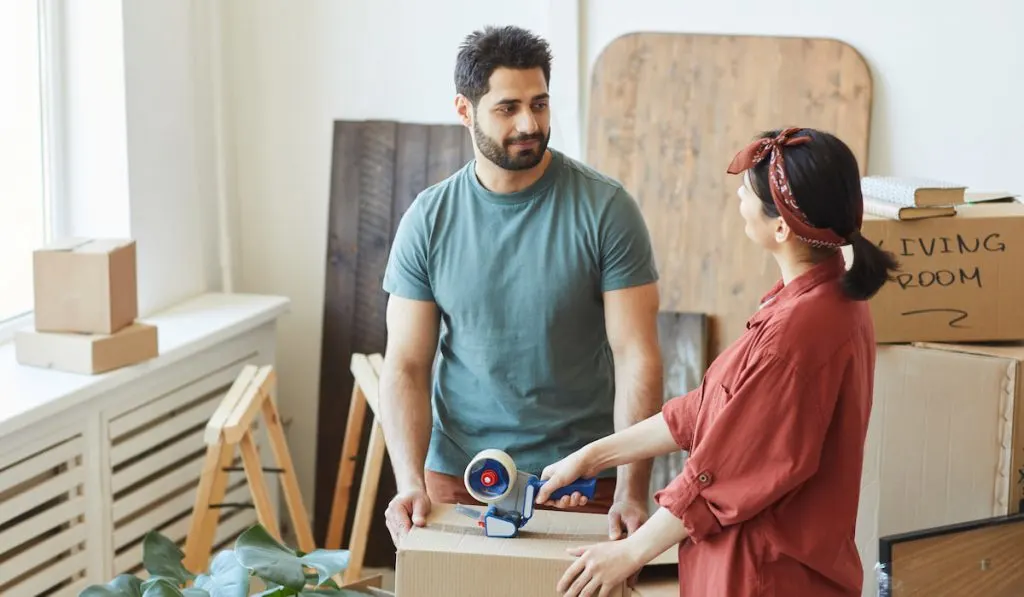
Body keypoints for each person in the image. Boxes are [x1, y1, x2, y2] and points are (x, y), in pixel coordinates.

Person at [536, 127, 900, 597]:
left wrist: (631, 552)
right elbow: (707, 410)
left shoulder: (797, 334)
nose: (737, 194)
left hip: (763, 577)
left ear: (782, 227)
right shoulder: (824, 298)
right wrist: (590, 457)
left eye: (747, 191)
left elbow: (721, 472)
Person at [378, 24, 664, 548]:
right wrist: (410, 483)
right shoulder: (429, 219)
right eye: (507, 108)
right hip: (462, 478)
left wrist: (630, 488)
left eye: (540, 103)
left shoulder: (606, 209)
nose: (529, 123)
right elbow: (405, 366)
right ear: (465, 110)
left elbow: (636, 356)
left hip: (583, 476)